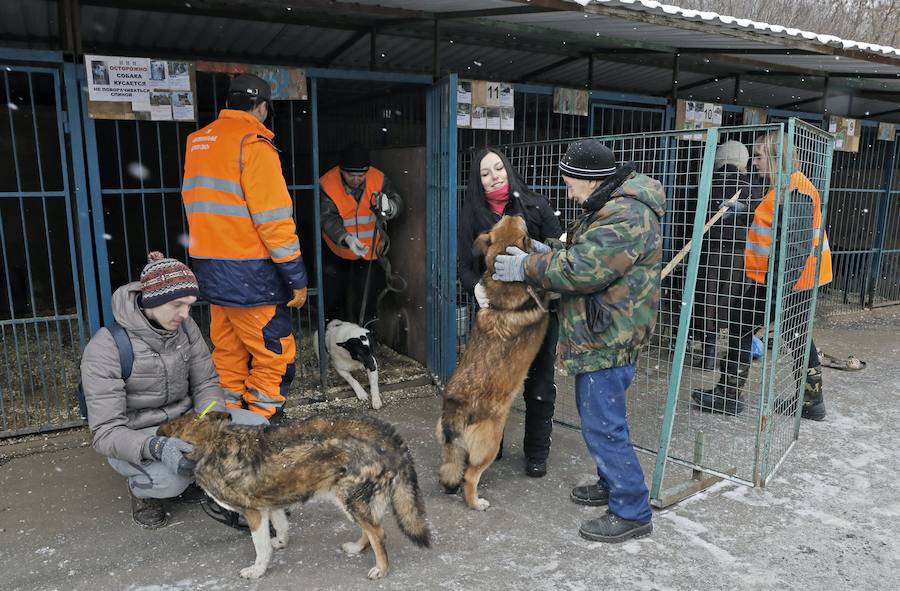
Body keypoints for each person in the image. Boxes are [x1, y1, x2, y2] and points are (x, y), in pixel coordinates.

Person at [493, 139, 665, 543]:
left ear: (593, 180)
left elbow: (583, 270)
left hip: (609, 335)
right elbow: (576, 250)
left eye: (572, 184)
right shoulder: (608, 208)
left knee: (604, 425)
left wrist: (526, 266)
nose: (569, 192)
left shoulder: (626, 215)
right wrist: (542, 248)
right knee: (600, 419)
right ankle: (612, 483)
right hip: (602, 329)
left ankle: (632, 509)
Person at [80, 252, 267, 529]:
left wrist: (209, 424)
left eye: (190, 305)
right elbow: (105, 432)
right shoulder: (106, 348)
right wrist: (156, 447)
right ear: (151, 302)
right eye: (177, 304)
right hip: (140, 434)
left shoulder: (186, 329)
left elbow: (205, 383)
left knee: (259, 429)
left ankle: (205, 476)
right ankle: (142, 491)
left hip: (187, 421)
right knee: (171, 481)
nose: (185, 314)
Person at [181, 74, 308, 421]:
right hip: (252, 276)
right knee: (274, 355)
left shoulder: (198, 142)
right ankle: (262, 424)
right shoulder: (253, 145)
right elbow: (274, 221)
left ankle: (223, 425)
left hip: (210, 272)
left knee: (228, 353)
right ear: (262, 107)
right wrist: (296, 276)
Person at [691, 131, 832, 419]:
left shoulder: (796, 191)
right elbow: (774, 222)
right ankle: (810, 400)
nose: (754, 163)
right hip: (790, 279)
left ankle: (729, 395)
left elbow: (794, 244)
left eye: (759, 157)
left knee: (745, 325)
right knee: (796, 335)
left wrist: (777, 290)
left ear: (775, 159)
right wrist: (744, 211)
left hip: (786, 281)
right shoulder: (785, 186)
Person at [457, 147, 563, 478]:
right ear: (478, 181)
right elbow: (463, 265)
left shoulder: (535, 205)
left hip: (539, 311)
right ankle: (493, 444)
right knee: (493, 386)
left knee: (540, 383)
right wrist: (477, 288)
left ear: (508, 169)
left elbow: (562, 252)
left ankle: (536, 452)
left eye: (498, 169)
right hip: (498, 315)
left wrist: (543, 256)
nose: (494, 177)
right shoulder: (471, 215)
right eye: (485, 173)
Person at [691, 140, 763, 369]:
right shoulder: (754, 188)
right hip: (742, 254)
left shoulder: (708, 184)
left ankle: (709, 355)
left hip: (711, 250)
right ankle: (736, 354)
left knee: (708, 300)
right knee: (735, 304)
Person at [319, 144, 403, 326]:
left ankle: (367, 335)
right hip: (337, 250)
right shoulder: (327, 184)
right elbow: (327, 218)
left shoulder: (378, 179)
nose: (357, 179)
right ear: (341, 171)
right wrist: (346, 238)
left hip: (369, 250)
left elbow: (396, 199)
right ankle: (331, 333)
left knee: (367, 297)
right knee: (332, 296)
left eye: (361, 175)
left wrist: (390, 207)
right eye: (351, 175)